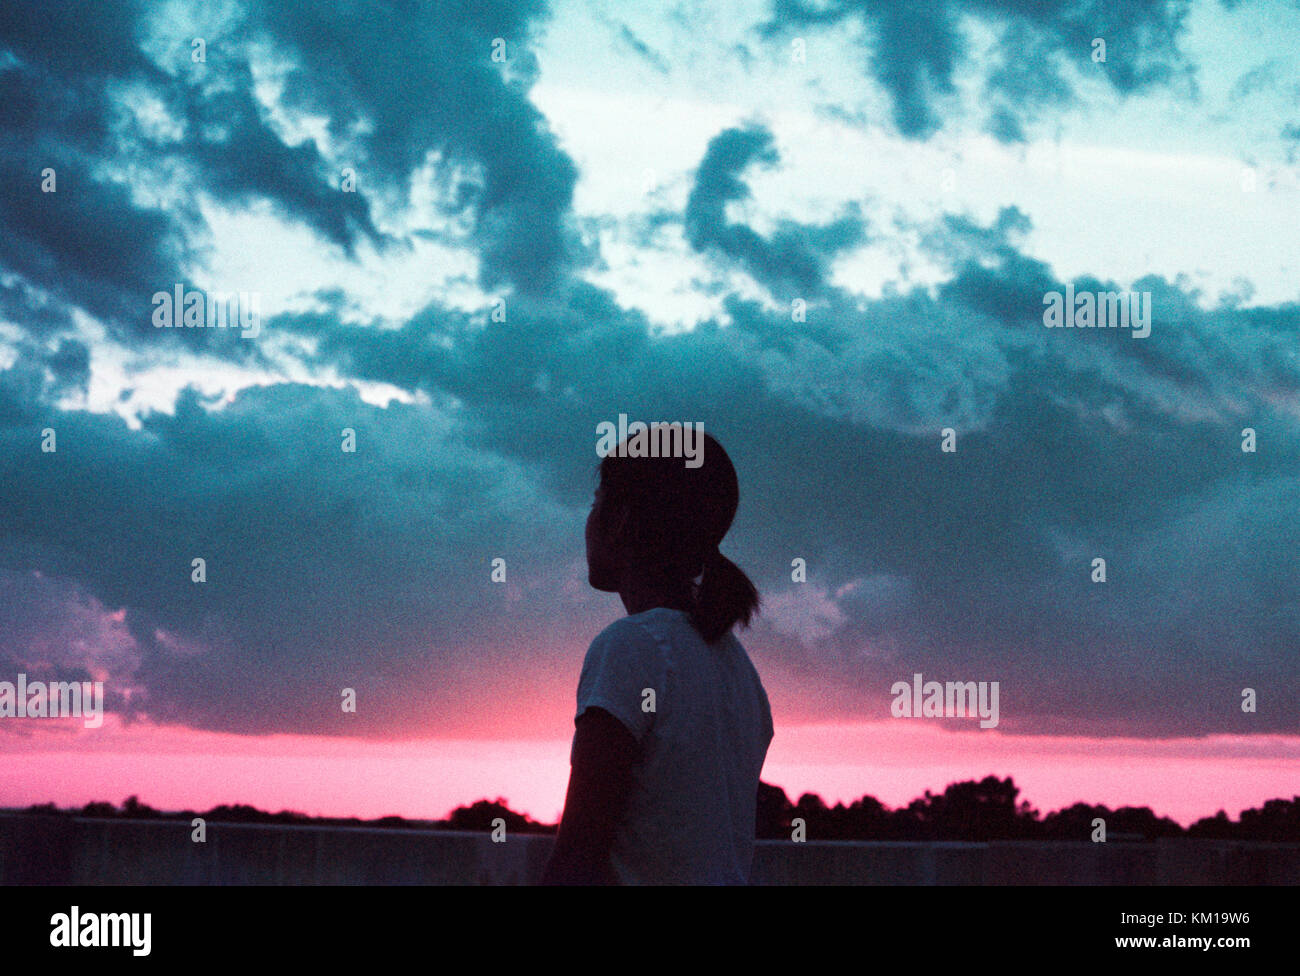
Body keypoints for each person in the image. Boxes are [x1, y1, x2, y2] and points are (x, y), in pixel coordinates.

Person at [542, 428, 773, 884]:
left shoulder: (631, 647)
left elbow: (578, 858)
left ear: (621, 519)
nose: (587, 520)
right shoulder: (739, 669)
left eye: (595, 503)